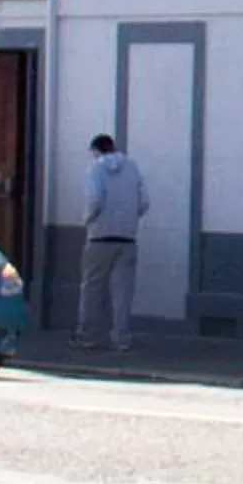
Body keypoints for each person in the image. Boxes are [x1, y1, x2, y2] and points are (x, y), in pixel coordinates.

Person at [77, 131, 149, 352]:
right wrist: (129, 219)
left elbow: (95, 200)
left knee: (92, 288)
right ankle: (122, 338)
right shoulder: (133, 167)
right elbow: (144, 202)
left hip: (99, 237)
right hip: (127, 238)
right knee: (123, 291)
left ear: (96, 150)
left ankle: (87, 336)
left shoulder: (95, 169)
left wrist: (88, 220)